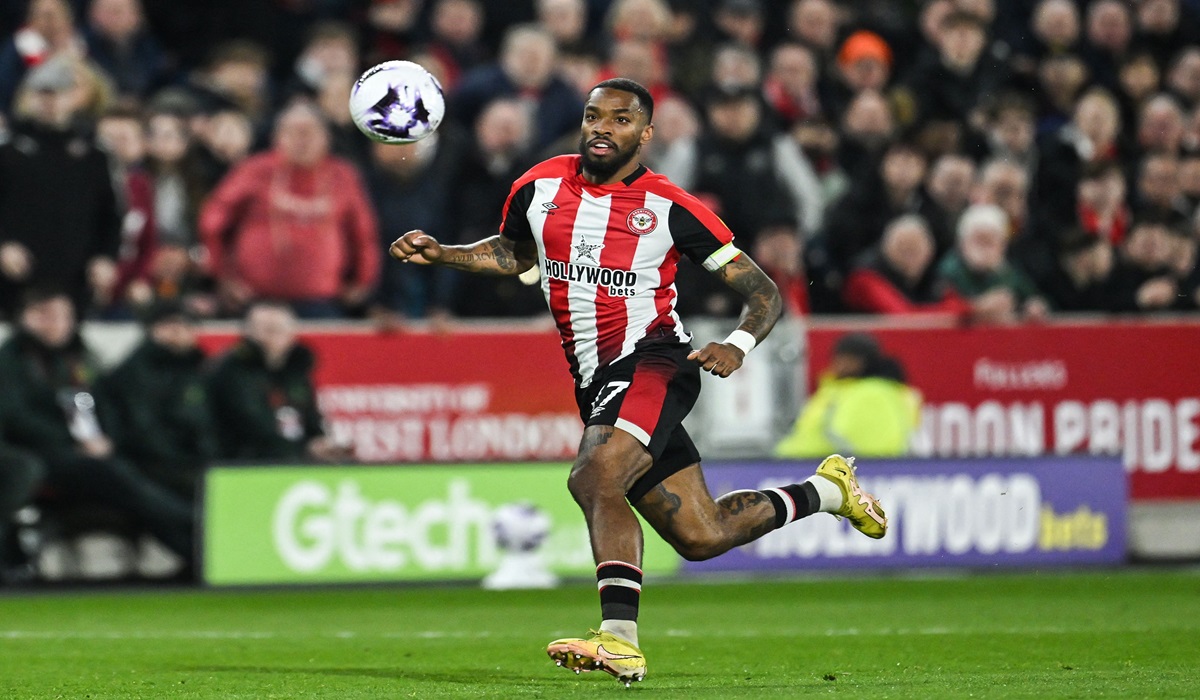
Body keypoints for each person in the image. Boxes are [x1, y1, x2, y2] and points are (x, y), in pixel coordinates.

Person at [388, 78, 887, 687]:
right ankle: (828, 491)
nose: (603, 127)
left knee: (594, 476)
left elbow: (762, 290)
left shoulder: (671, 207)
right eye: (594, 115)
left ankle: (619, 639)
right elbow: (517, 253)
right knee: (701, 535)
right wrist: (445, 253)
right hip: (595, 379)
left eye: (621, 119)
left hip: (654, 361)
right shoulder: (537, 186)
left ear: (646, 133)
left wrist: (736, 344)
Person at [0, 288, 194, 562]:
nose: (59, 323)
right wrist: (73, 441)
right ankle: (189, 519)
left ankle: (194, 551)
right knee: (116, 478)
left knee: (134, 477)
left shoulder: (78, 357)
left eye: (65, 316)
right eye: (49, 316)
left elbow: (99, 403)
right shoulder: (11, 361)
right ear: (28, 317)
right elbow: (15, 417)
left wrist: (104, 437)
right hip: (40, 454)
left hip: (91, 450)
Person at [199, 100, 380, 319]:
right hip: (257, 300)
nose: (302, 141)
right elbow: (212, 224)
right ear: (277, 137)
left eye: (309, 132)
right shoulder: (254, 170)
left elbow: (363, 233)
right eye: (294, 132)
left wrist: (363, 280)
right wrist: (222, 277)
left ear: (326, 137)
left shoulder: (342, 175)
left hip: (321, 302)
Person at [99, 299, 215, 501]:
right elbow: (142, 430)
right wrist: (187, 461)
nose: (179, 332)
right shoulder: (135, 373)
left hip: (201, 461)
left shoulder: (203, 369)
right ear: (153, 329)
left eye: (187, 325)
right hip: (152, 464)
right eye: (171, 325)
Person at [206, 301, 349, 462]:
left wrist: (318, 441)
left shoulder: (296, 371)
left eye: (277, 330)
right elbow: (251, 423)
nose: (270, 337)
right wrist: (301, 447)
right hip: (242, 460)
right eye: (265, 330)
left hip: (291, 459)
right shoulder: (231, 371)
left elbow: (310, 416)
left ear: (291, 335)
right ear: (248, 333)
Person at [775, 333, 921, 459]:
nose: (842, 364)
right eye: (839, 357)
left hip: (826, 468)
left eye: (851, 359)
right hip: (801, 465)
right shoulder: (837, 389)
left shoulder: (872, 392)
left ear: (867, 362)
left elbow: (865, 444)